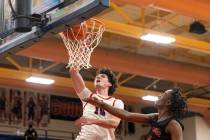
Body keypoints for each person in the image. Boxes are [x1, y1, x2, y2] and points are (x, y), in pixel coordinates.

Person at [85, 88, 187, 140]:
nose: (159, 96)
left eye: (163, 94)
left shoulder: (173, 124)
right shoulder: (155, 117)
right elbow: (127, 115)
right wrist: (102, 104)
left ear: (168, 102)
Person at [70, 67, 124, 140]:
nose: (98, 77)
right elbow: (74, 74)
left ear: (109, 84)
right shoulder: (88, 96)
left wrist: (93, 121)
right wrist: (74, 69)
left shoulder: (116, 102)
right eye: (97, 76)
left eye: (103, 76)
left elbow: (114, 123)